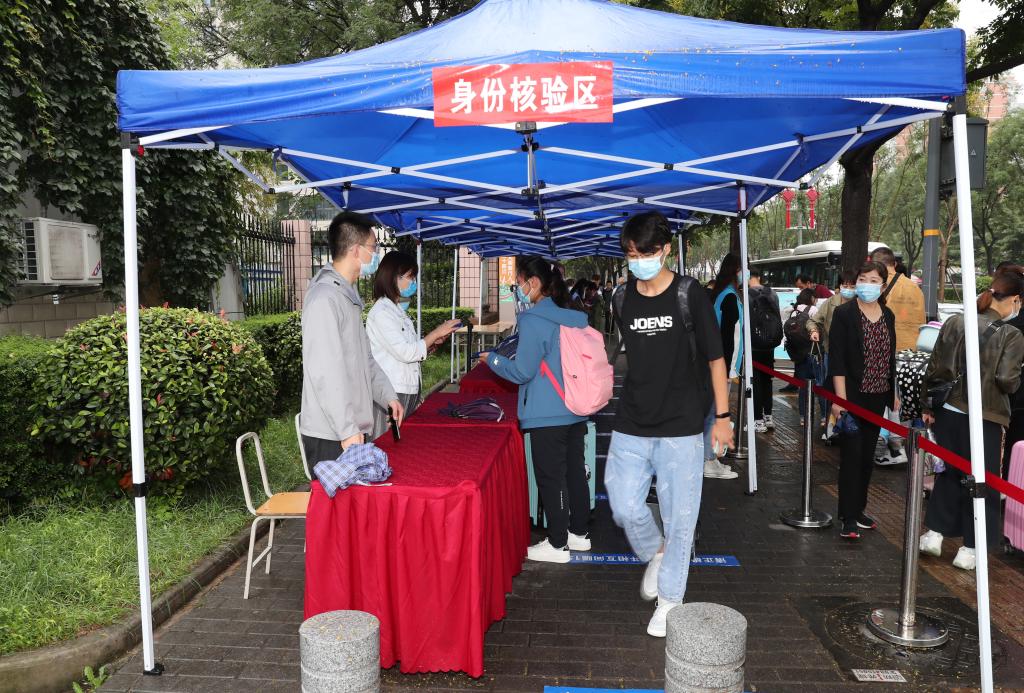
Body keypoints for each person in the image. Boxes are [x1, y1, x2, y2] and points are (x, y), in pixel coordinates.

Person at [606, 212, 734, 638]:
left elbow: (716, 359)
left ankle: (669, 601)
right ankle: (655, 552)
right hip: (632, 420)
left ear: (664, 250)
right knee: (623, 505)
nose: (638, 261)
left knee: (681, 518)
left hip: (682, 425)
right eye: (630, 254)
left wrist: (722, 418)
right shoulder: (621, 298)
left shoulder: (688, 293)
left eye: (645, 253)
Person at [482, 257, 592, 564]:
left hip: (547, 410)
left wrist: (493, 360)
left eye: (519, 283)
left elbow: (523, 371)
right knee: (575, 472)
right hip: (575, 406)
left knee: (551, 477)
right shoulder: (574, 315)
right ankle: (579, 534)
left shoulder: (533, 319)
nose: (517, 289)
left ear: (533, 283)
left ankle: (557, 544)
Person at [920, 269, 1024, 570]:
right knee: (982, 480)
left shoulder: (955, 322)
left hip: (948, 409)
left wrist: (927, 404)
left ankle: (934, 534)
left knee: (949, 471)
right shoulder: (1012, 335)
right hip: (986, 415)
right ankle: (970, 548)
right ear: (1015, 299)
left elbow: (935, 366)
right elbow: (1006, 380)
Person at [299, 212, 405, 473]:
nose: (376, 254)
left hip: (351, 428)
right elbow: (325, 373)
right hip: (332, 433)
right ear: (357, 250)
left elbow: (365, 360)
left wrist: (388, 396)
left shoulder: (347, 296)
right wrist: (346, 429)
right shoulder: (324, 299)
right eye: (373, 247)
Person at [829, 261, 897, 540]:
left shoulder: (888, 315)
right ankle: (847, 516)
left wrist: (893, 392)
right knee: (851, 456)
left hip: (878, 395)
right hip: (852, 396)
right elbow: (837, 359)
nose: (866, 284)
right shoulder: (844, 314)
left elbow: (890, 356)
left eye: (873, 280)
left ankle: (859, 510)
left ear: (882, 286)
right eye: (862, 279)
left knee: (867, 456)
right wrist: (840, 400)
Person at [366, 251, 461, 440]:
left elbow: (411, 349)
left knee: (402, 443)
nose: (414, 282)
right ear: (394, 277)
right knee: (387, 442)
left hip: (406, 390)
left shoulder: (396, 310)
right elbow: (406, 352)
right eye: (410, 277)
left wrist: (431, 343)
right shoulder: (382, 313)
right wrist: (436, 333)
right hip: (392, 392)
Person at [701, 254, 743, 479]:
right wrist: (727, 370)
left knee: (712, 412)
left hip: (715, 363)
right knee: (715, 413)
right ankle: (708, 460)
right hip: (721, 365)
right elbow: (728, 336)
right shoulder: (729, 297)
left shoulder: (721, 294)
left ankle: (711, 459)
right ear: (736, 270)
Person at [808, 270, 857, 435]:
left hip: (854, 356)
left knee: (851, 391)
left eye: (852, 286)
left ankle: (849, 424)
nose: (848, 289)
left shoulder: (861, 303)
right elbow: (813, 320)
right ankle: (831, 425)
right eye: (845, 285)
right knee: (833, 390)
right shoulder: (831, 302)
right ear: (840, 286)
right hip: (832, 353)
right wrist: (814, 331)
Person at [869, 247, 925, 352]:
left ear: (874, 265)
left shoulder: (876, 285)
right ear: (894, 264)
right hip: (913, 347)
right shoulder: (915, 287)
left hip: (886, 347)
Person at [748, 269, 780, 433]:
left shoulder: (746, 295)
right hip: (769, 344)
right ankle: (768, 417)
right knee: (767, 380)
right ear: (759, 277)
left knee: (755, 382)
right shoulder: (772, 293)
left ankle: (757, 420)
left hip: (753, 345)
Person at [785, 288, 818, 426]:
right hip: (811, 352)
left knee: (803, 386)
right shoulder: (813, 310)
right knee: (817, 384)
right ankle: (823, 417)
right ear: (812, 298)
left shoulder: (793, 310)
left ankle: (803, 416)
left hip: (797, 353)